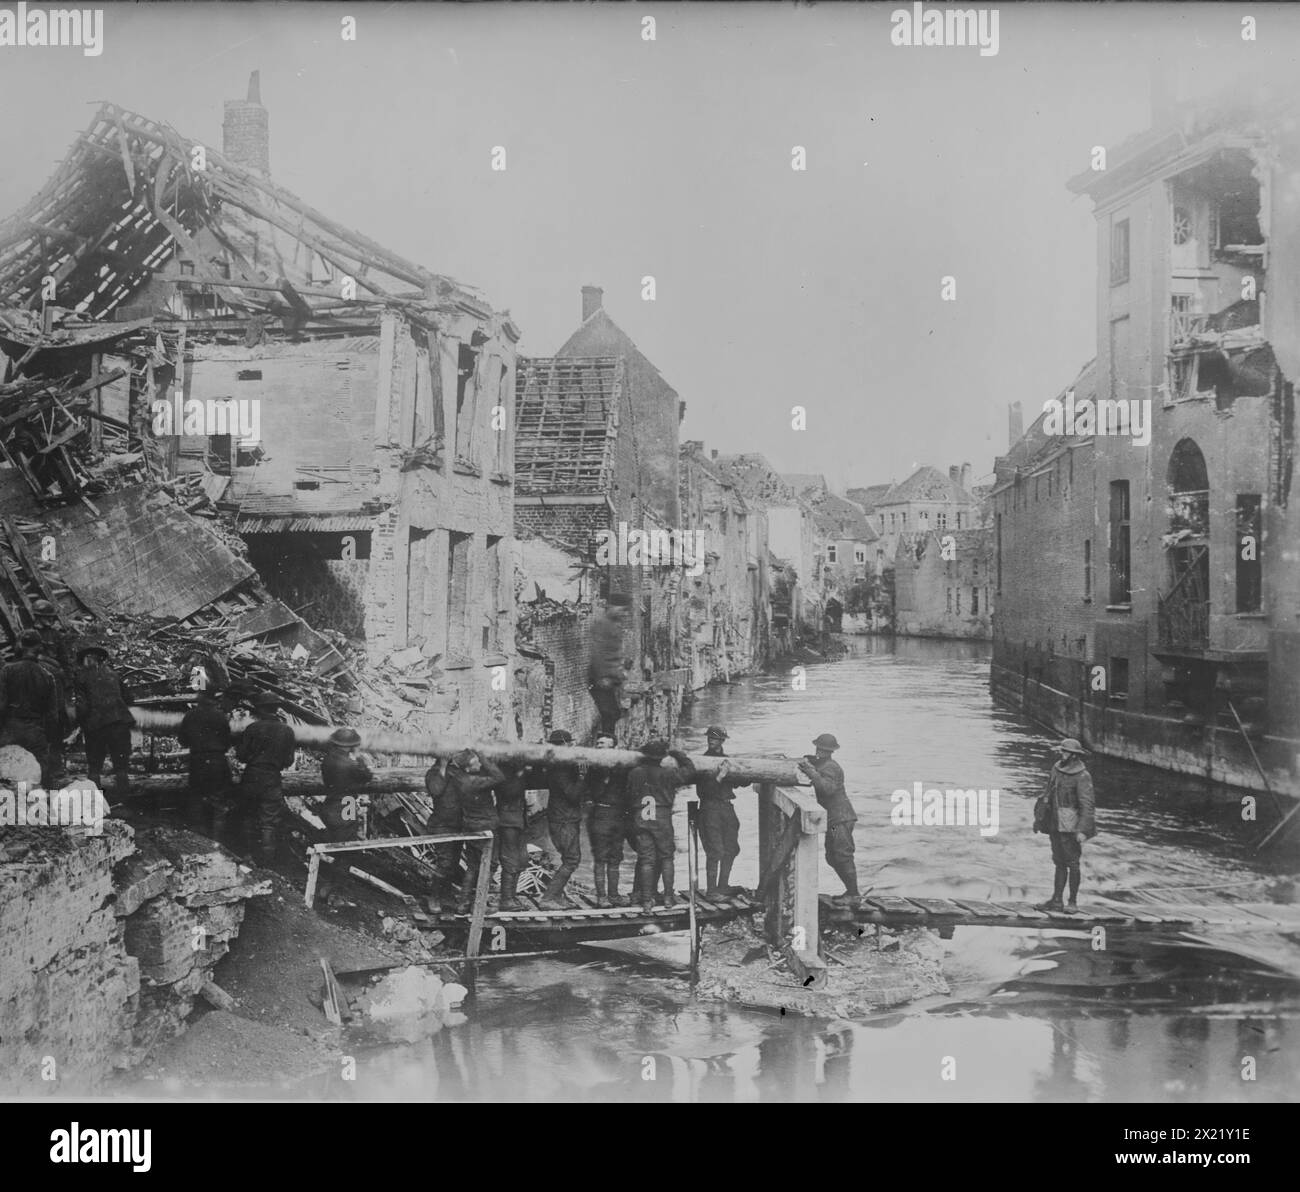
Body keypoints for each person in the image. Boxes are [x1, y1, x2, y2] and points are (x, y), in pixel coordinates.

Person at [628, 739, 696, 914]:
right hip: (662, 819)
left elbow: (628, 794)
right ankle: (667, 897)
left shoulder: (635, 772)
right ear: (661, 758)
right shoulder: (668, 773)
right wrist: (677, 754)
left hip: (642, 817)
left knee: (646, 860)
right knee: (666, 858)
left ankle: (645, 901)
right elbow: (690, 771)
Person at [1035, 739, 1097, 914]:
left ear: (1074, 755)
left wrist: (1083, 831)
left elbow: (1088, 806)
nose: (1062, 754)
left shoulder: (1083, 776)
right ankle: (1056, 900)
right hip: (1054, 823)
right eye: (1062, 751)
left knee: (1073, 863)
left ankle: (1072, 902)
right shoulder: (1056, 768)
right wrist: (1040, 818)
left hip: (1071, 826)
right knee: (1059, 862)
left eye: (1065, 752)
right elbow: (1048, 792)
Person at [797, 732, 859, 905]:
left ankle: (854, 895)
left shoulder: (832, 767)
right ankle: (851, 891)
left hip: (840, 818)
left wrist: (811, 771)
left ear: (829, 751)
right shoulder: (824, 764)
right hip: (833, 820)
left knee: (842, 855)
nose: (819, 752)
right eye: (818, 749)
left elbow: (827, 789)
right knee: (832, 857)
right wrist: (811, 764)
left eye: (822, 749)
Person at [235, 691, 296, 864]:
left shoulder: (252, 729)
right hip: (272, 779)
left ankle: (247, 857)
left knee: (247, 815)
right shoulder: (287, 731)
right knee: (269, 822)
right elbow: (288, 760)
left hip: (252, 776)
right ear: (276, 708)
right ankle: (267, 866)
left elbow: (241, 755)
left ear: (260, 709)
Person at [73, 641, 135, 802]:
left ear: (87, 660)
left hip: (96, 727)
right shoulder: (114, 674)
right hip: (119, 723)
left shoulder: (81, 678)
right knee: (121, 766)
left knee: (94, 766)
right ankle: (124, 801)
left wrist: (79, 722)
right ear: (101, 660)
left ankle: (95, 802)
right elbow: (129, 698)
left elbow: (82, 707)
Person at [446, 749, 506, 913]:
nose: (479, 764)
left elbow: (453, 765)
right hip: (485, 826)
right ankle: (480, 904)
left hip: (469, 824)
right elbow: (499, 777)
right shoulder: (473, 782)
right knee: (490, 864)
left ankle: (463, 904)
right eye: (476, 763)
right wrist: (482, 755)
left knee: (472, 865)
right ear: (467, 768)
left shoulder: (458, 777)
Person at [316, 727, 372, 902]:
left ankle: (331, 885)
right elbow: (366, 776)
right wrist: (361, 760)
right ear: (351, 746)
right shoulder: (351, 764)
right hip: (346, 805)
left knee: (336, 845)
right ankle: (334, 889)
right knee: (347, 850)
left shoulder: (328, 760)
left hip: (330, 805)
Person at [0, 629, 59, 786]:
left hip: (10, 730)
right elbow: (53, 715)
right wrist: (51, 739)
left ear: (21, 645)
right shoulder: (47, 676)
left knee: (5, 775)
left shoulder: (7, 670)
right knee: (42, 775)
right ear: (39, 648)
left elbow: (1, 705)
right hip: (35, 731)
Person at [696, 725, 749, 896]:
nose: (711, 741)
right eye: (710, 738)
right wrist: (720, 776)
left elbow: (739, 783)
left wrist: (744, 771)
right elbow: (703, 792)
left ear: (722, 740)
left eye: (715, 738)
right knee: (715, 850)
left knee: (732, 848)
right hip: (709, 808)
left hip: (726, 807)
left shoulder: (727, 760)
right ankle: (711, 891)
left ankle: (723, 886)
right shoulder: (702, 762)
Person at [540, 729, 586, 908]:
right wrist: (582, 776)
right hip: (564, 819)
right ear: (566, 744)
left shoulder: (556, 762)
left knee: (569, 858)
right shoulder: (560, 768)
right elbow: (573, 795)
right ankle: (549, 898)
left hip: (562, 817)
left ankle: (556, 896)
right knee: (572, 859)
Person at [178, 688, 233, 833]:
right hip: (217, 760)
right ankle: (218, 841)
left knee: (196, 797)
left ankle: (196, 838)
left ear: (200, 697)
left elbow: (183, 741)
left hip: (198, 760)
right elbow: (227, 742)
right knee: (218, 801)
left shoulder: (190, 716)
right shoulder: (221, 717)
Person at [587, 731, 631, 907]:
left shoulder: (622, 767)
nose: (599, 746)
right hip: (600, 815)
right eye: (598, 744)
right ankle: (602, 897)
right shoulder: (593, 767)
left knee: (615, 857)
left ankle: (613, 895)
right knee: (600, 857)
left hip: (618, 816)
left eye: (603, 744)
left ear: (614, 748)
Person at [588, 594, 631, 737]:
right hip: (601, 679)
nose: (624, 613)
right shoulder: (603, 624)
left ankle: (607, 739)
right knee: (610, 713)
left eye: (626, 611)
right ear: (611, 607)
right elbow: (597, 652)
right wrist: (602, 676)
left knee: (614, 712)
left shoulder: (614, 624)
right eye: (622, 609)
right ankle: (606, 743)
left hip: (612, 678)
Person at [493, 761, 532, 911]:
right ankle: (506, 899)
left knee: (521, 860)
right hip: (507, 821)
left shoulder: (515, 773)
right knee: (510, 860)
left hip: (518, 820)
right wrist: (521, 772)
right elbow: (511, 792)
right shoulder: (504, 774)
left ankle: (512, 896)